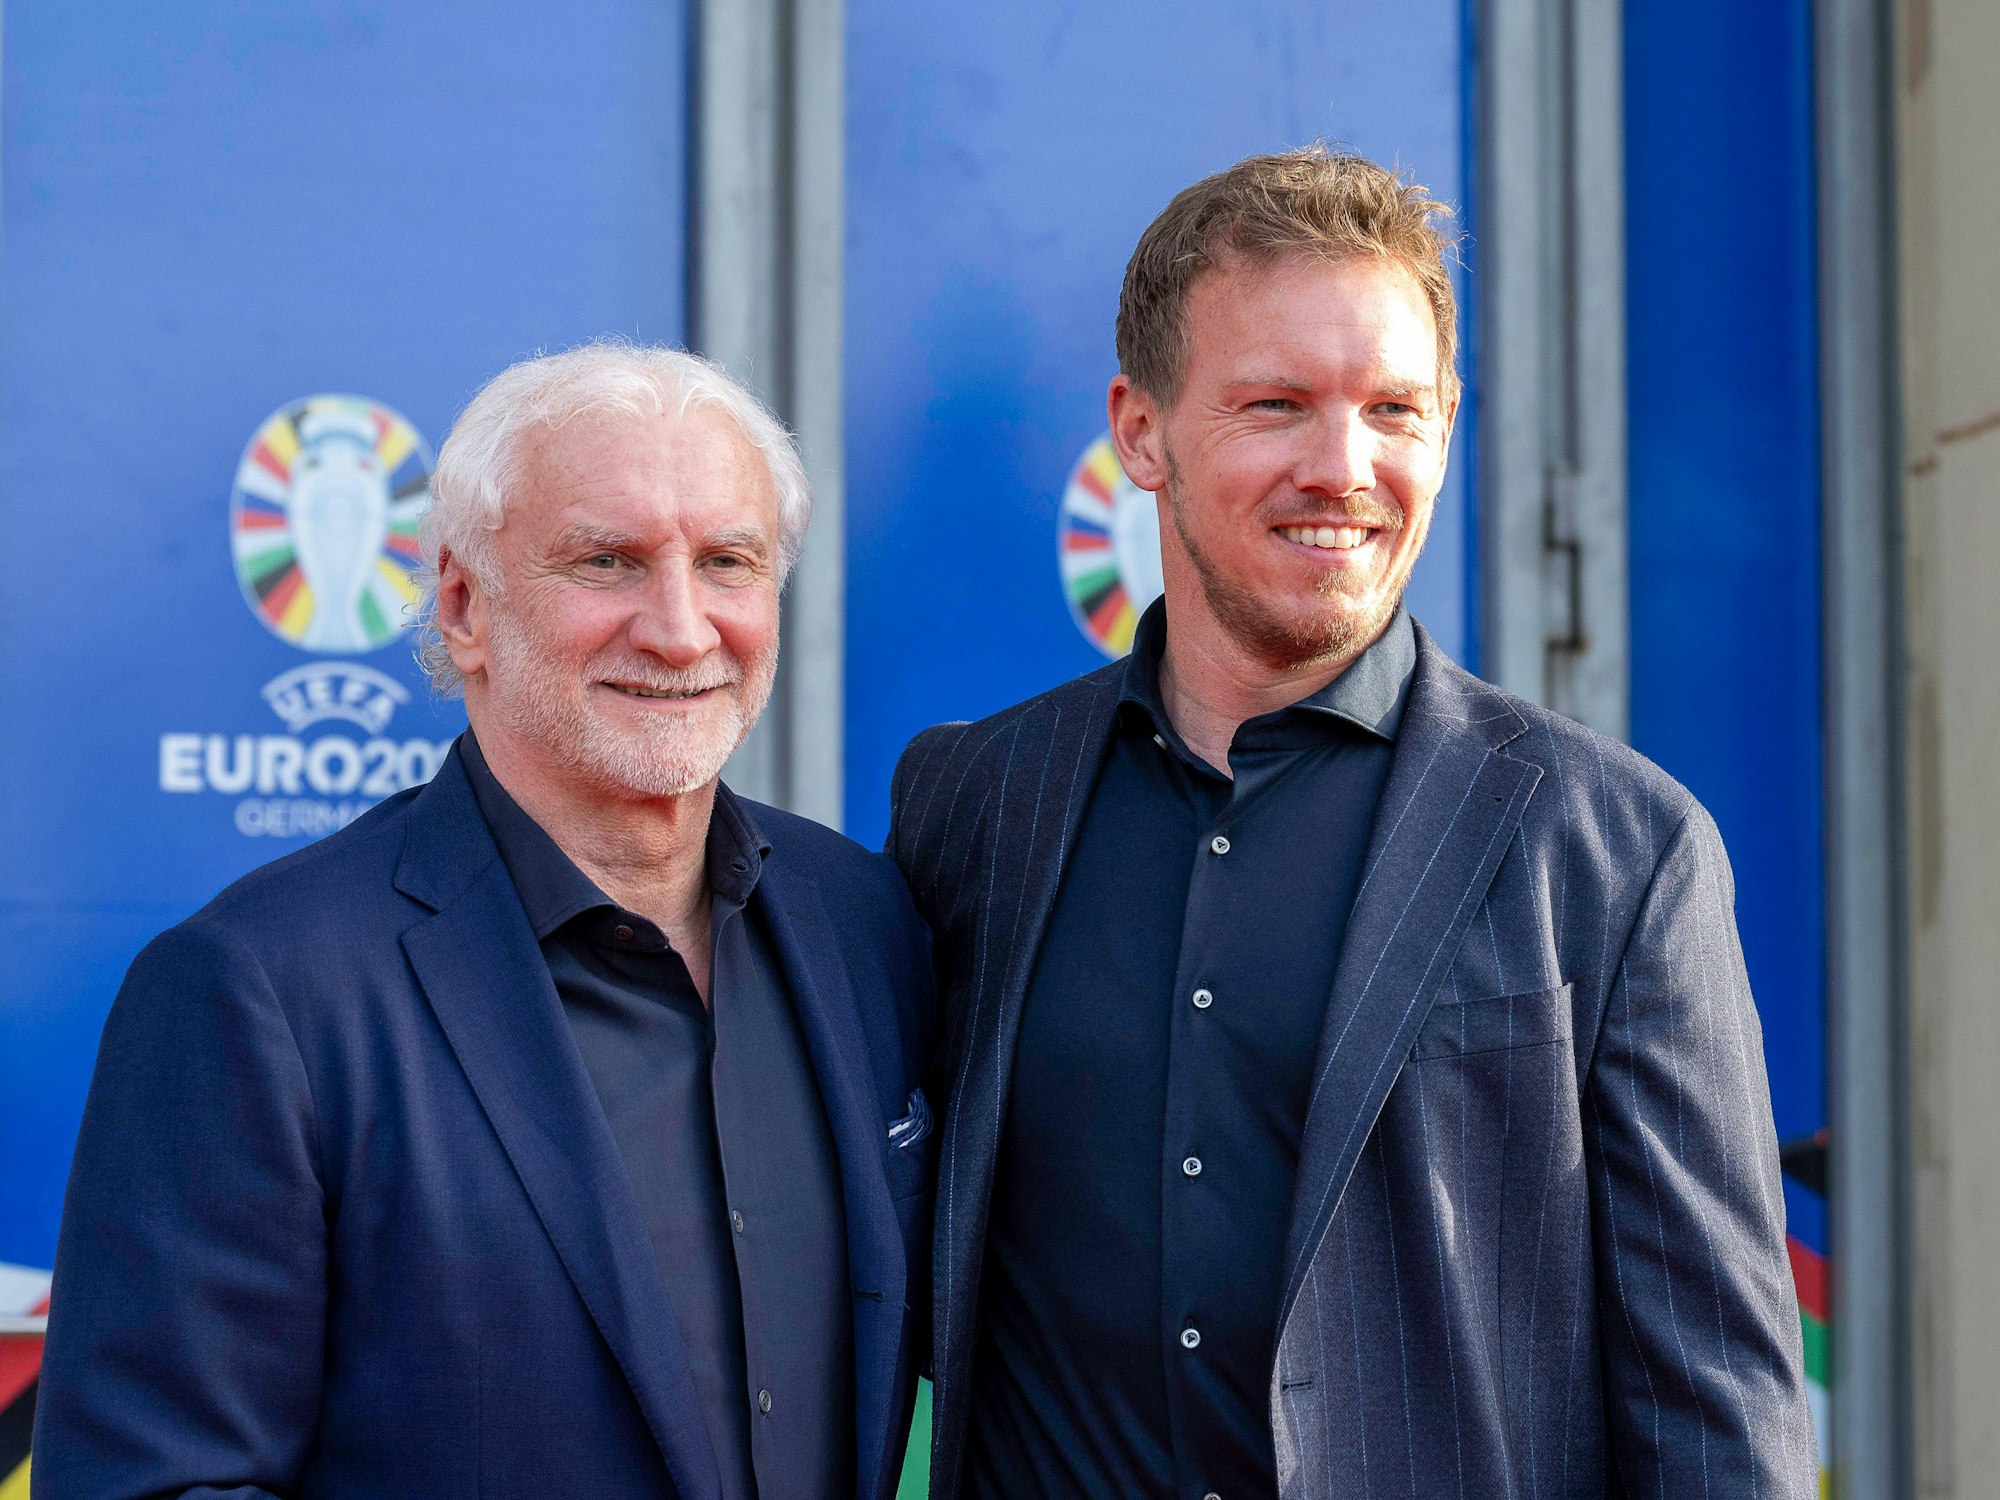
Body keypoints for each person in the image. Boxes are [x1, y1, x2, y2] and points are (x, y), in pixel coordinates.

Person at [888, 147, 1817, 1499]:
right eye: (1276, 405)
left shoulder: (1615, 850)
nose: (1345, 467)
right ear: (1139, 430)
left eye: (1395, 409)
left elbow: (1716, 1408)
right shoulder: (973, 805)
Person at [37, 344, 937, 1500]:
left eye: (727, 561)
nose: (678, 628)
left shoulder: (863, 923)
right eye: (606, 561)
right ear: (463, 605)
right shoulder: (260, 991)